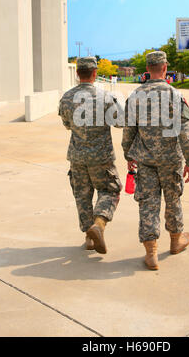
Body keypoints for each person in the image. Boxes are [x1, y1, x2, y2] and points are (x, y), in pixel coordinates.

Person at [122, 51, 189, 271]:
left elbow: (129, 131)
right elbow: (186, 131)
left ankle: (151, 253)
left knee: (148, 203)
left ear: (148, 69)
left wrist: (129, 155)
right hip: (171, 159)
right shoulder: (176, 95)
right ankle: (176, 241)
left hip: (145, 160)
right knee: (173, 199)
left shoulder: (135, 96)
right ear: (165, 68)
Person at [59, 57, 123, 255]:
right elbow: (120, 122)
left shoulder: (67, 98)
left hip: (77, 157)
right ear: (95, 73)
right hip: (101, 157)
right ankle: (99, 224)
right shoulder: (105, 97)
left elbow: (67, 124)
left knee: (82, 196)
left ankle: (89, 237)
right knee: (110, 190)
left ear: (78, 74)